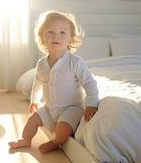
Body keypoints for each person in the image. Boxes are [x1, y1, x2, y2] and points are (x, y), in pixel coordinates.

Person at [8, 10, 99, 153]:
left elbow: (89, 82)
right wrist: (35, 100)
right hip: (49, 107)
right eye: (50, 32)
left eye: (62, 32)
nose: (56, 35)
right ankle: (26, 139)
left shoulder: (75, 62)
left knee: (63, 128)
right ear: (42, 38)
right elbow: (38, 83)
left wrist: (92, 103)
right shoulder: (41, 64)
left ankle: (56, 142)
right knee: (32, 120)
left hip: (71, 108)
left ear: (70, 39)